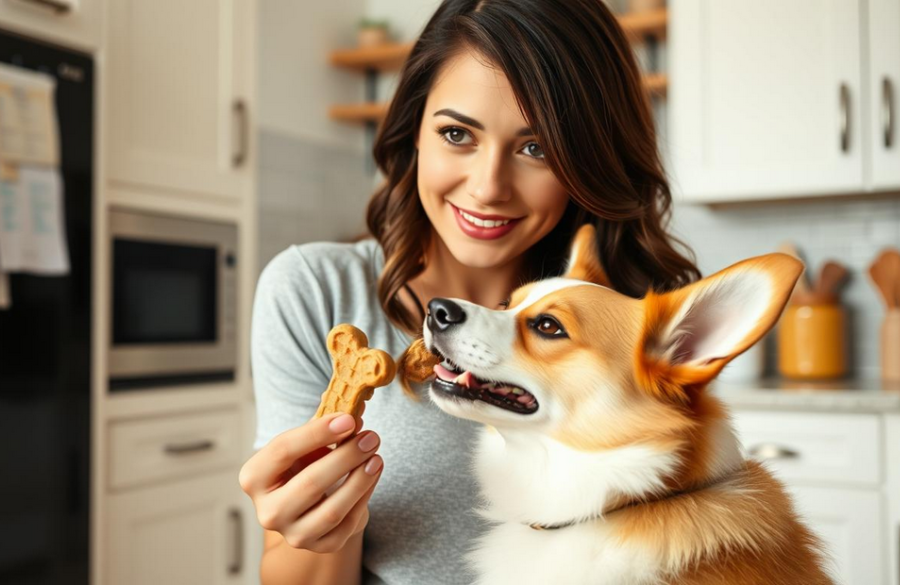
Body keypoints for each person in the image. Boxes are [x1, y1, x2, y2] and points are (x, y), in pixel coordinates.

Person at [238, 0, 702, 583]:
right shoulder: (316, 292)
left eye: (536, 148)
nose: (487, 188)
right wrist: (317, 528)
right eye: (457, 134)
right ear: (414, 133)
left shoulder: (633, 326)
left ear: (588, 159)